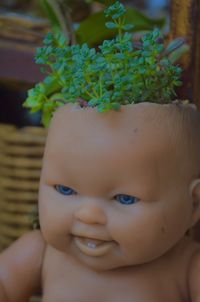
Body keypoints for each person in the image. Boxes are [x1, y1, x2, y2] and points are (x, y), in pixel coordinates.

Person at [0, 102, 200, 302]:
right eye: (65, 190)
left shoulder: (187, 266)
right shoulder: (42, 252)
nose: (88, 215)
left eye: (125, 199)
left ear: (194, 203)